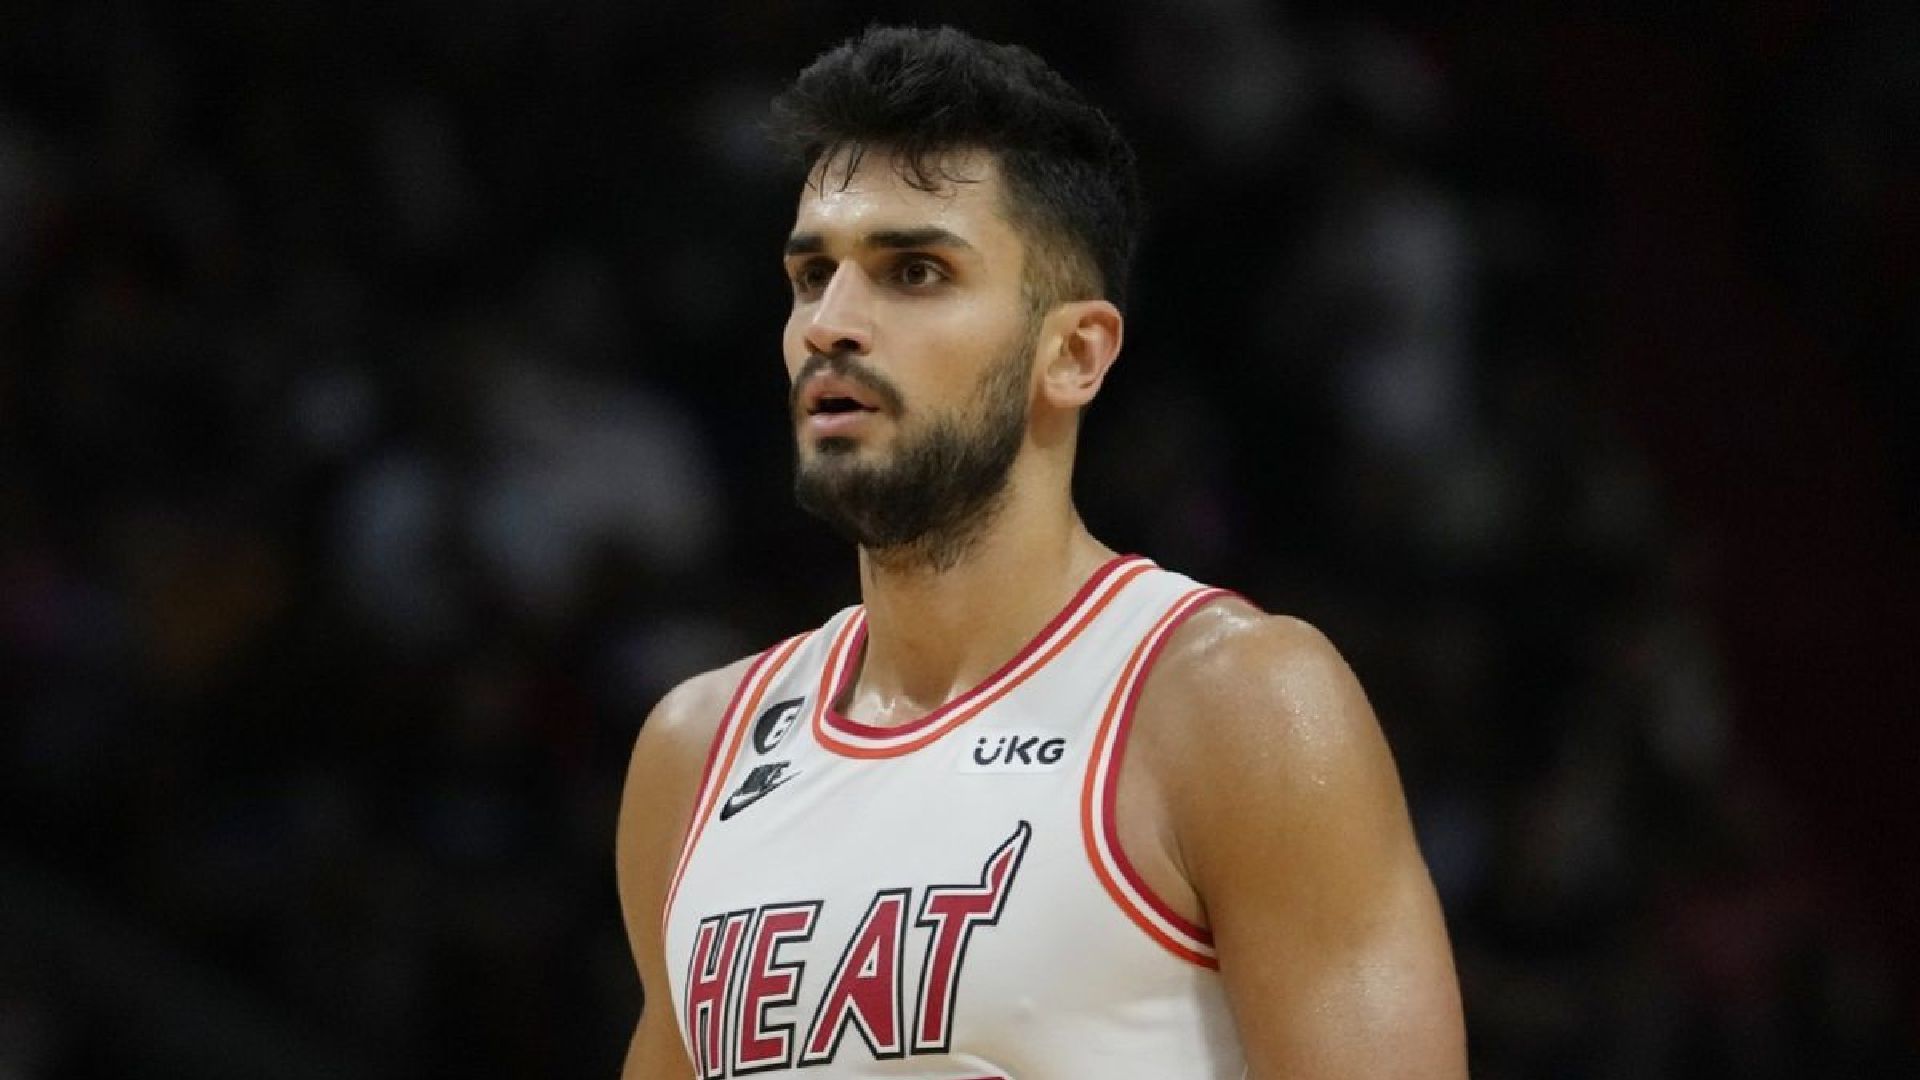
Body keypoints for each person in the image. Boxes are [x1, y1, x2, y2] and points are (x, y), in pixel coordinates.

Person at [616, 25, 1466, 1079]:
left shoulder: (1231, 707)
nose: (831, 323)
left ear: (1073, 353)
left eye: (914, 271)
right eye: (812, 274)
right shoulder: (697, 750)